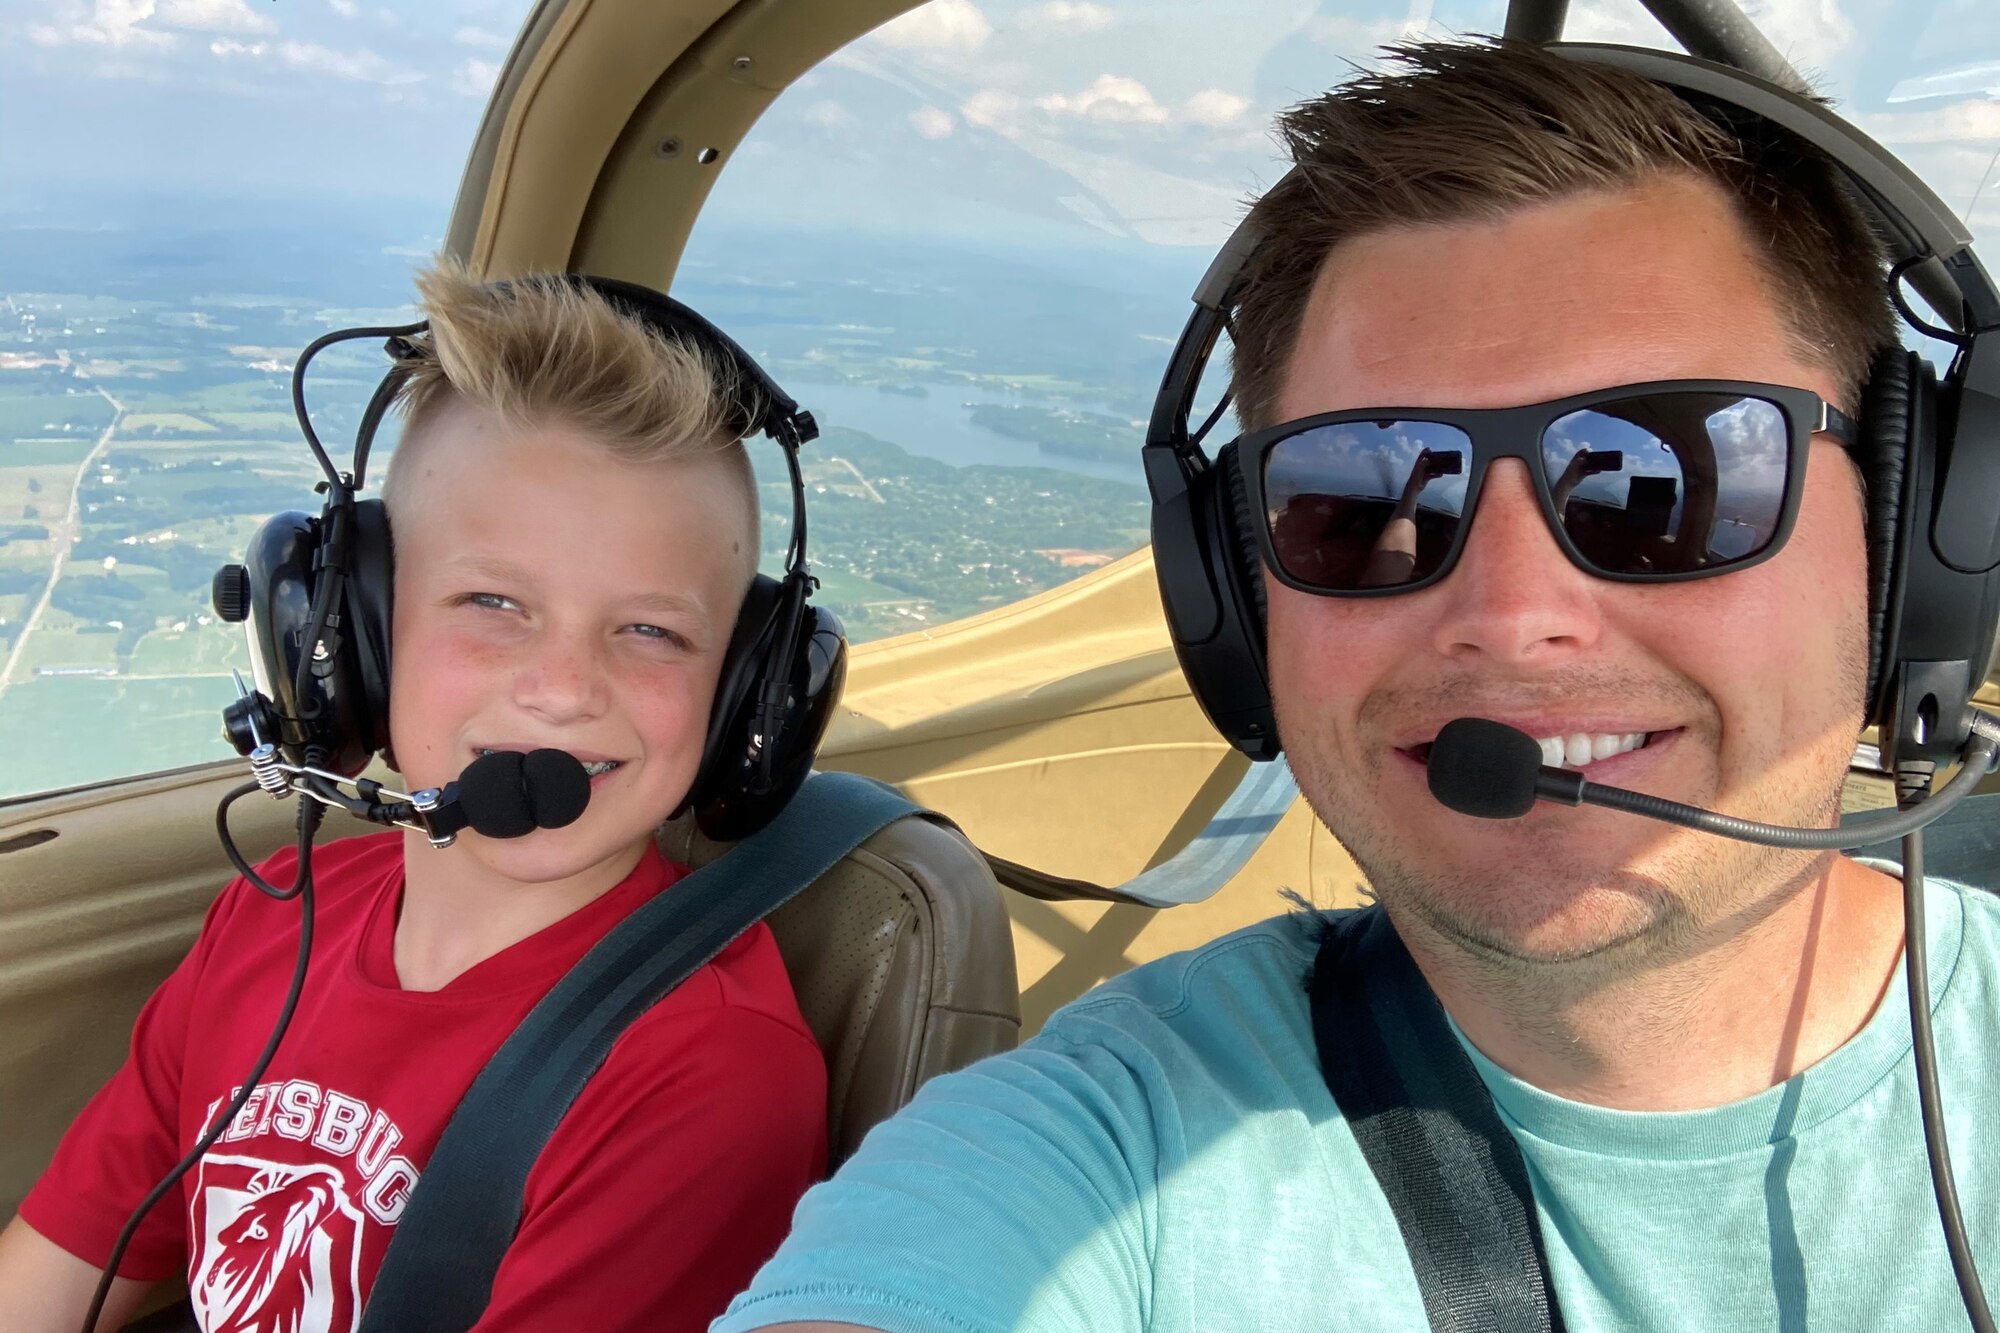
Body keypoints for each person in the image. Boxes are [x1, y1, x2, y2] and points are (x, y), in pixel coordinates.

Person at [714, 38, 2000, 1332]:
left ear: (1916, 540)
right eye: (1365, 496)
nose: (1510, 616)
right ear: (1237, 595)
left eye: (1668, 483)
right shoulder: (1101, 1133)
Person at [0, 265, 828, 1331]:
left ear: (743, 701)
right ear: (353, 640)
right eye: (492, 601)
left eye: (651, 630)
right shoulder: (271, 915)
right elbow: (60, 1269)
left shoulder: (705, 1073)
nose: (563, 687)